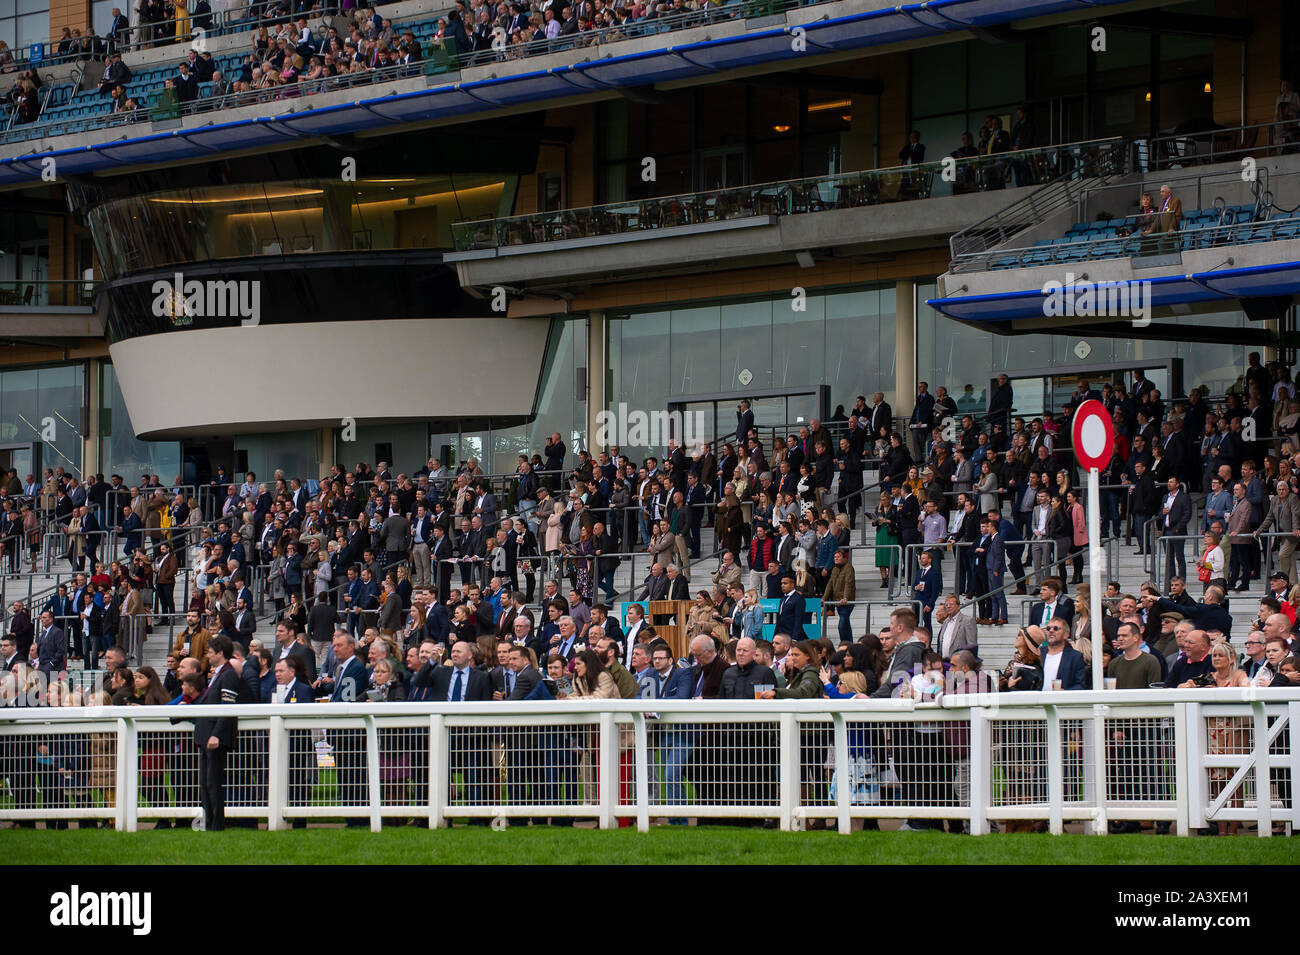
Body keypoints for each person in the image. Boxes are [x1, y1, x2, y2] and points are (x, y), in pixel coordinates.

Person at [190, 634, 246, 831]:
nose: (208, 656)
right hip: (207, 734)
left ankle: (216, 824)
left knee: (212, 783)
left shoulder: (228, 674)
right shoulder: (219, 673)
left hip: (215, 736)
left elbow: (227, 705)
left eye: (211, 652)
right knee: (205, 782)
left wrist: (217, 734)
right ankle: (210, 822)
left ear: (220, 653)